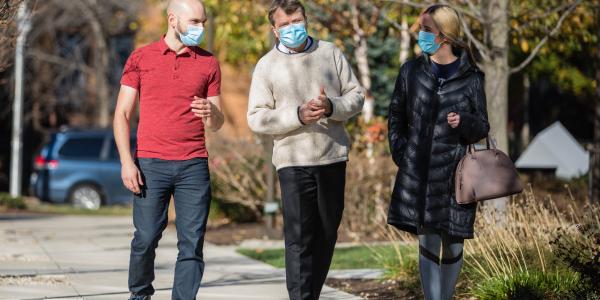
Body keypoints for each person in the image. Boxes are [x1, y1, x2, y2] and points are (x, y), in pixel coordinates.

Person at [247, 1, 364, 299]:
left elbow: (356, 96)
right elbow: (257, 117)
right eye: (284, 25)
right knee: (299, 237)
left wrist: (331, 106)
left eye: (296, 21)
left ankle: (309, 294)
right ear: (275, 30)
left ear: (306, 20)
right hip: (292, 161)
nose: (292, 28)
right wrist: (296, 115)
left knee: (326, 234)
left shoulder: (330, 53)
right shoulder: (266, 65)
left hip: (332, 156)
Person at [113, 0, 224, 299]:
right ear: (173, 19)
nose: (201, 28)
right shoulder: (141, 58)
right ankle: (140, 293)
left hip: (193, 165)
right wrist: (127, 162)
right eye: (195, 22)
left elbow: (218, 121)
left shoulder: (208, 62)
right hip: (151, 164)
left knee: (192, 242)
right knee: (146, 238)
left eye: (203, 22)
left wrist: (209, 113)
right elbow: (123, 114)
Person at [387, 4, 490, 300]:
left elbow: (482, 126)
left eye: (427, 30)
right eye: (421, 28)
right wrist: (402, 154)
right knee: (428, 241)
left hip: (457, 176)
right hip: (419, 174)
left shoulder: (472, 77)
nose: (421, 35)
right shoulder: (411, 71)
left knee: (455, 244)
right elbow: (396, 118)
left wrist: (464, 122)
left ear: (445, 36)